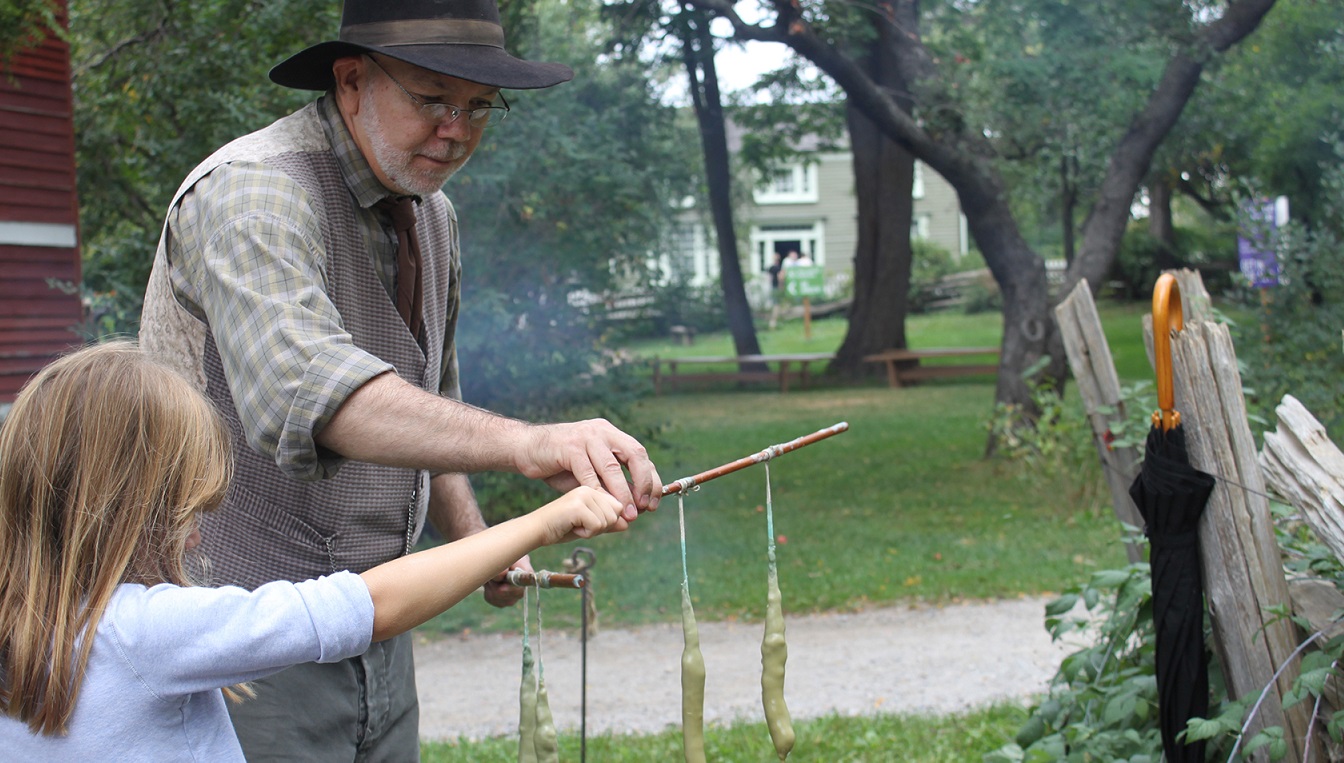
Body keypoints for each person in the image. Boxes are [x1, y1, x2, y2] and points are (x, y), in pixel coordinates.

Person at [136, 0, 661, 758]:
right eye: (433, 100)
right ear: (351, 80)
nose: (458, 130)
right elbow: (308, 392)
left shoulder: (432, 215)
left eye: (480, 106)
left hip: (376, 622)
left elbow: (428, 404)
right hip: (237, 634)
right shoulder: (251, 192)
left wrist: (477, 541)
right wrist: (532, 443)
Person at [0, 342, 635, 761]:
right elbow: (367, 606)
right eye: (190, 507)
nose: (200, 530)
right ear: (130, 510)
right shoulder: (141, 631)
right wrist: (541, 523)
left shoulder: (27, 628)